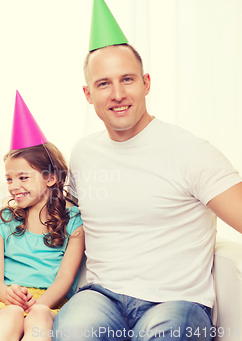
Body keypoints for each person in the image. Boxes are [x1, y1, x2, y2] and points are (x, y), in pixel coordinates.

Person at [53, 1, 242, 340]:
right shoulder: (83, 153)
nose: (118, 94)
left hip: (176, 301)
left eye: (127, 79)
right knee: (72, 330)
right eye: (103, 84)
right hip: (102, 296)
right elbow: (70, 217)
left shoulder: (191, 152)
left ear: (146, 83)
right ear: (87, 93)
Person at [0, 92, 85, 341]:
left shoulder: (73, 221)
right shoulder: (0, 220)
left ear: (50, 178)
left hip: (50, 302)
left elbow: (65, 279)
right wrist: (10, 296)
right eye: (9, 178)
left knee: (38, 316)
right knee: (11, 315)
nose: (14, 185)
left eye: (23, 177)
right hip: (5, 301)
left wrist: (38, 304)